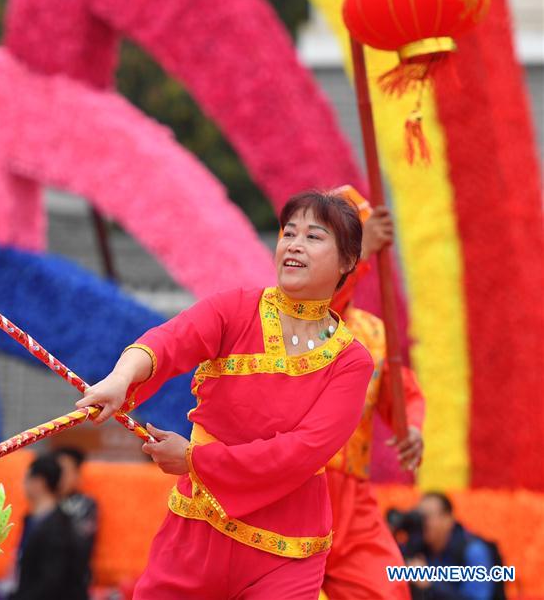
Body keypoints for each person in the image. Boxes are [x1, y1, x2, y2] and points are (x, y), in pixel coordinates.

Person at [78, 190, 374, 599]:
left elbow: (303, 451)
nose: (294, 244)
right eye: (289, 233)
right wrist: (120, 378)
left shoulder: (351, 361)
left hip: (284, 554)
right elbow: (170, 341)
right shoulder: (235, 309)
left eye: (314, 236)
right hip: (196, 533)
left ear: (347, 261)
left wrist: (193, 460)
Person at [320, 196, 426, 600]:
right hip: (293, 490)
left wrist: (411, 428)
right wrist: (362, 252)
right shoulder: (286, 317)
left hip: (352, 502)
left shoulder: (372, 333)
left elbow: (405, 395)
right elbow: (318, 301)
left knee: (386, 590)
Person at [10, 455, 87, 600]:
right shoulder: (33, 520)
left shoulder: (58, 529)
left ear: (39, 483)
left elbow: (51, 582)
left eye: (26, 478)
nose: (23, 484)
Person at [409, 493, 502, 600]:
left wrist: (431, 584)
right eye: (419, 516)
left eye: (428, 516)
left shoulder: (473, 550)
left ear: (448, 519)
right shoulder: (418, 547)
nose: (422, 523)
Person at [52, 446, 98, 585]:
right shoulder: (45, 502)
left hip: (72, 581)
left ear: (77, 475)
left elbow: (80, 546)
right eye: (56, 471)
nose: (60, 476)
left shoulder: (86, 505)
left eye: (65, 471)